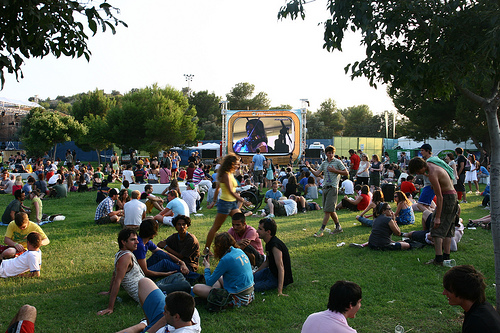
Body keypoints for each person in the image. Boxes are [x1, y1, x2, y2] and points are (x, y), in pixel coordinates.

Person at [409, 156, 458, 265]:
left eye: (418, 171)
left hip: (447, 198)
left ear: (422, 166)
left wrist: (437, 217)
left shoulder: (432, 174)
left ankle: (438, 259)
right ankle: (446, 256)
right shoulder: (432, 163)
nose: (419, 174)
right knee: (448, 228)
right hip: (453, 195)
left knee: (436, 229)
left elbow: (439, 197)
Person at [193, 232, 254, 308]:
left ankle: (213, 297)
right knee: (219, 277)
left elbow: (209, 282)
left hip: (238, 298)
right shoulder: (239, 251)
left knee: (196, 288)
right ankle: (212, 293)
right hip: (249, 294)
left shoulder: (226, 259)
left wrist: (207, 267)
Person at [116, 279, 201, 333]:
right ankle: (146, 323)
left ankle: (142, 325)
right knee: (144, 282)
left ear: (176, 317)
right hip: (161, 323)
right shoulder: (190, 311)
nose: (163, 313)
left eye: (166, 311)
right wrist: (151, 330)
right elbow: (164, 317)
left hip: (164, 325)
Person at [204, 154, 249, 255]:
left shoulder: (229, 173)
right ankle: (206, 249)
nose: (238, 166)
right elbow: (229, 191)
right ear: (231, 164)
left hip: (232, 203)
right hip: (225, 203)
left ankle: (243, 244)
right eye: (237, 164)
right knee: (216, 227)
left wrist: (214, 201)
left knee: (241, 222)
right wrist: (242, 199)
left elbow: (218, 189)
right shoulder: (225, 174)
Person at [131, 218, 193, 292]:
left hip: (141, 270)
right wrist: (165, 274)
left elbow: (164, 252)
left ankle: (183, 270)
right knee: (164, 263)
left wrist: (181, 262)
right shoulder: (140, 246)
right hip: (139, 276)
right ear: (153, 232)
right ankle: (193, 276)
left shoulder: (146, 242)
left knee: (160, 254)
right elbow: (145, 272)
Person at [98, 229, 145, 315]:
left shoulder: (121, 253)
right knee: (175, 282)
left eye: (136, 239)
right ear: (123, 242)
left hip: (145, 287)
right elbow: (117, 281)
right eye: (133, 240)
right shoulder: (125, 257)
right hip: (145, 294)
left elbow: (114, 274)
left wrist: (109, 291)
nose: (137, 242)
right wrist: (110, 307)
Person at [305, 145, 348, 237]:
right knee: (330, 210)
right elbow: (317, 174)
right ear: (326, 154)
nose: (331, 154)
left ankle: (321, 230)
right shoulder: (324, 163)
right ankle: (338, 227)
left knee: (328, 211)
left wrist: (335, 170)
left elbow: (346, 172)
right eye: (329, 153)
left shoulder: (337, 162)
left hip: (333, 188)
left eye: (332, 153)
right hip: (325, 188)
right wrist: (309, 168)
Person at [442, 265, 500, 332]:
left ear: (461, 291)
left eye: (448, 290)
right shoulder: (482, 307)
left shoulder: (476, 323)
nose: (444, 293)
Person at [254, 217, 293, 296]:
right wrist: (255, 273)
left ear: (268, 232)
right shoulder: (269, 242)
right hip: (270, 272)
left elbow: (281, 268)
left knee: (252, 287)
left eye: (260, 229)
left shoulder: (275, 246)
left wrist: (280, 291)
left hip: (276, 278)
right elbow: (267, 262)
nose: (257, 231)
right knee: (248, 280)